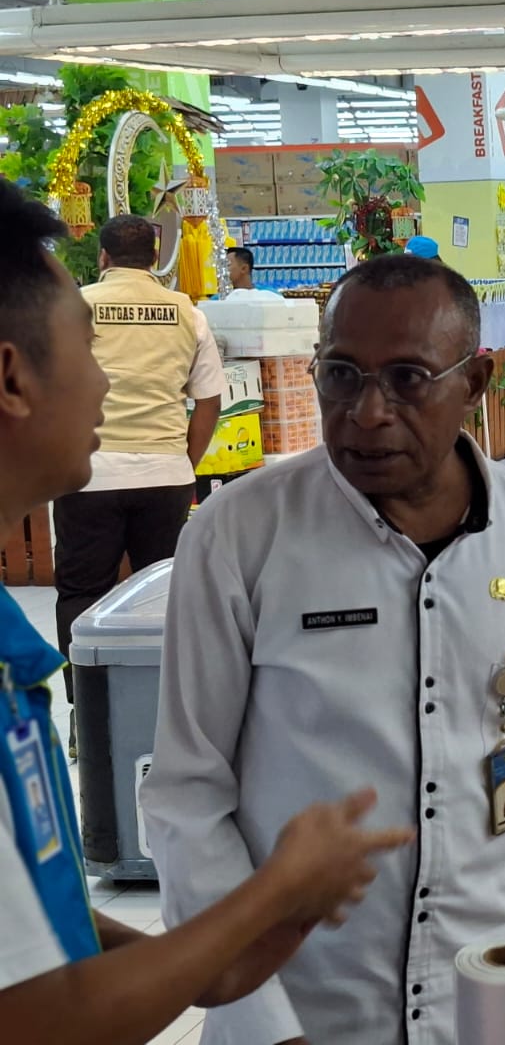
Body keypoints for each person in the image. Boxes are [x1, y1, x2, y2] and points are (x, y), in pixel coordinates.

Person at [142, 254, 505, 1045]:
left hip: (495, 1007)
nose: (367, 412)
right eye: (341, 375)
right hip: (309, 1009)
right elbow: (188, 793)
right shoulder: (242, 533)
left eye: (408, 378)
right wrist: (265, 1023)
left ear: (476, 382)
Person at [0, 178, 412, 1044]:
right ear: (12, 377)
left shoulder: (12, 653)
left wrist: (238, 946)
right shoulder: (239, 522)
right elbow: (43, 1016)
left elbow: (44, 934)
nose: (105, 380)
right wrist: (275, 891)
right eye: (85, 350)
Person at [53, 213, 223, 755]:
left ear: (102, 257)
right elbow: (209, 400)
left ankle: (86, 716)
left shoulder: (74, 307)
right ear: (155, 258)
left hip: (89, 472)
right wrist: (183, 462)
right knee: (164, 597)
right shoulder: (188, 313)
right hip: (165, 474)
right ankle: (164, 712)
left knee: (82, 592)